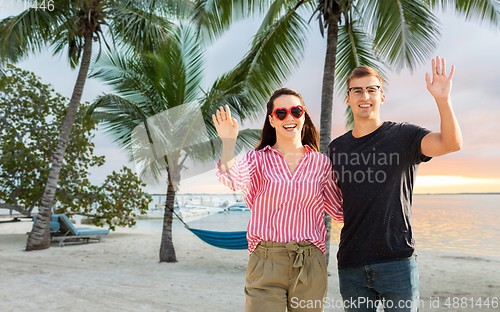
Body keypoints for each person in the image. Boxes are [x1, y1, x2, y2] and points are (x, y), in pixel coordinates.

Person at [328, 56, 462, 312]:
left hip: (397, 261)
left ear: (382, 96)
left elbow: (451, 143)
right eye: (357, 90)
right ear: (348, 98)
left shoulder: (403, 136)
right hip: (351, 264)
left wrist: (443, 100)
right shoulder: (337, 148)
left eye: (371, 89)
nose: (364, 95)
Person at [212, 88, 343, 312]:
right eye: (281, 113)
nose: (289, 117)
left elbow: (341, 211)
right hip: (266, 261)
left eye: (295, 111)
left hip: (310, 262)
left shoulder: (321, 164)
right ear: (272, 120)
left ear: (303, 116)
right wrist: (228, 142)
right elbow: (232, 178)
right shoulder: (256, 159)